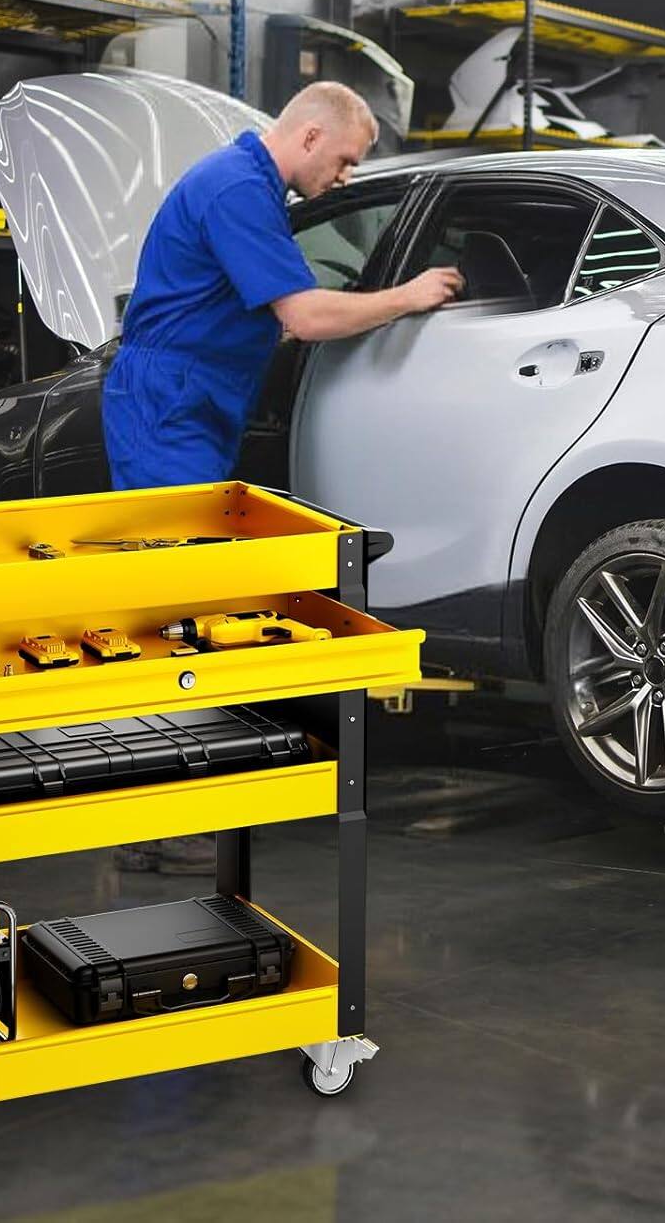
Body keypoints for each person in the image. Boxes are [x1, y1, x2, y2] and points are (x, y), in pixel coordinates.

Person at [104, 81, 463, 871]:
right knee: (175, 610)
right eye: (343, 161)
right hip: (169, 404)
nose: (342, 178)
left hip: (192, 401)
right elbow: (302, 317)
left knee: (189, 602)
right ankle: (147, 826)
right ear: (307, 136)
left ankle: (173, 805)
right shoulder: (236, 189)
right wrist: (406, 295)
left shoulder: (251, 186)